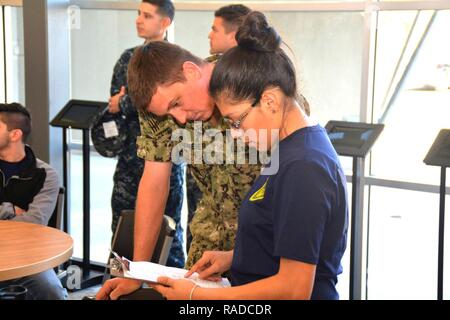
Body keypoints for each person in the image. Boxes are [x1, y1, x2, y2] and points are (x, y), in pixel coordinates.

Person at [152, 11, 349, 300]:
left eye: (236, 120)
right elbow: (286, 237)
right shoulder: (286, 148)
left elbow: (295, 289)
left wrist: (195, 296)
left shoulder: (304, 166)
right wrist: (235, 257)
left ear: (268, 100)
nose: (235, 132)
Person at [95, 37, 262, 300]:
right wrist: (138, 270)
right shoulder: (158, 107)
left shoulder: (251, 79)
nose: (181, 119)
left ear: (192, 71)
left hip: (265, 241)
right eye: (170, 113)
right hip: (209, 245)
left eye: (176, 103)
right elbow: (154, 182)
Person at [90, 0, 185, 268]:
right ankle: (120, 285)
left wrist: (126, 102)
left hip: (167, 162)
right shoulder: (127, 58)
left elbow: (145, 103)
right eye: (138, 14)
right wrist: (123, 103)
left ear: (165, 22)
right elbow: (115, 101)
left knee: (168, 235)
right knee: (122, 231)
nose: (138, 20)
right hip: (130, 161)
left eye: (147, 15)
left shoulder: (175, 60)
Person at [184, 2, 252, 256]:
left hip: (256, 240)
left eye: (214, 29)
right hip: (209, 236)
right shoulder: (202, 77)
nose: (209, 35)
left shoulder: (267, 85)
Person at [0, 103, 67, 300]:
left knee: (52, 292)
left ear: (15, 135)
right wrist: (11, 209)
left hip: (26, 256)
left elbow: (34, 224)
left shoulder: (46, 175)